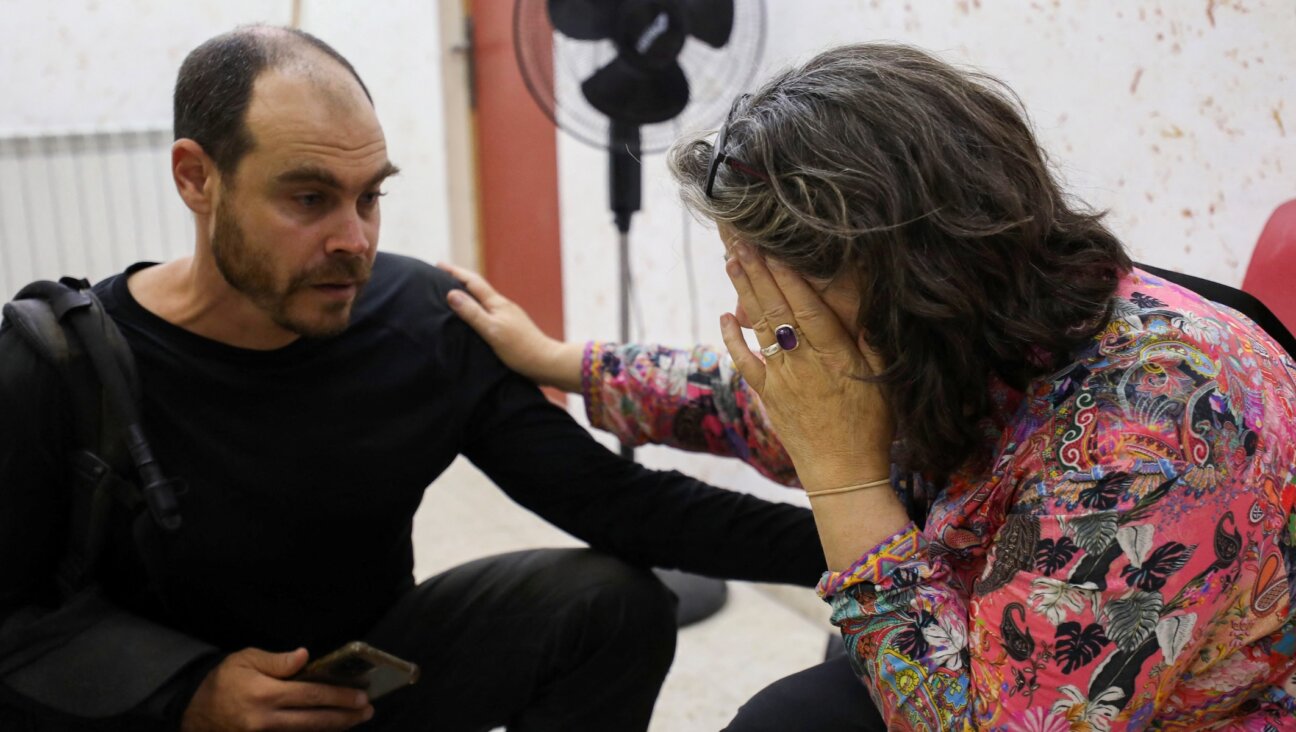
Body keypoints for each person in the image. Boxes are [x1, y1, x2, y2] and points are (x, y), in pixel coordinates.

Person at [443, 43, 1296, 730]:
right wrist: (566, 362)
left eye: (761, 279)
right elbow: (762, 397)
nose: (745, 306)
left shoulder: (1161, 420)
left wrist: (845, 478)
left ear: (895, 271)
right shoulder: (963, 328)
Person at [0, 26, 830, 732]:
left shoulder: (422, 320)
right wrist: (186, 691)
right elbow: (18, 629)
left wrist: (867, 546)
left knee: (611, 605)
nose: (353, 239)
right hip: (164, 708)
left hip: (365, 687)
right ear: (196, 177)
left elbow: (618, 505)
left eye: (369, 198)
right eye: (309, 198)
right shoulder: (61, 363)